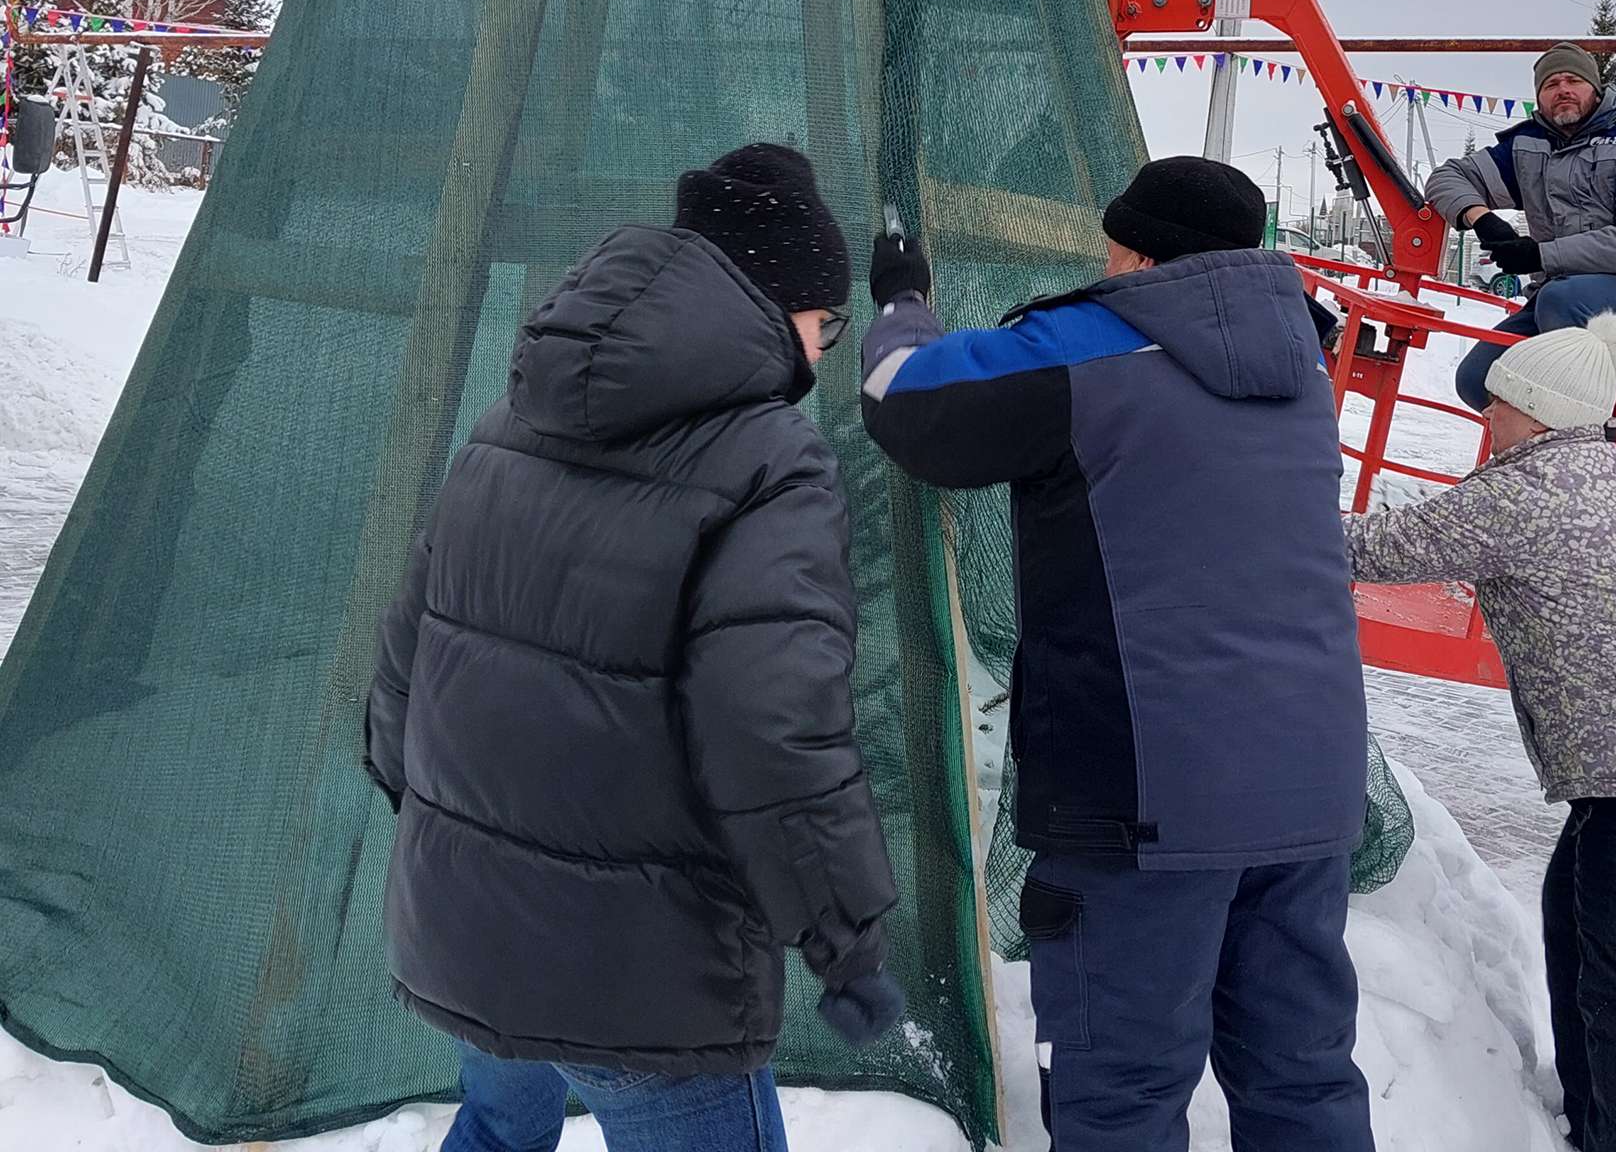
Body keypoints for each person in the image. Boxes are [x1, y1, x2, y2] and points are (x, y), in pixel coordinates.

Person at [364, 144, 903, 1152]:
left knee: (493, 1128)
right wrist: (843, 935)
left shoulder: (511, 418)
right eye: (824, 323)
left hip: (467, 923)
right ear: (777, 305)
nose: (822, 351)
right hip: (640, 973)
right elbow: (771, 724)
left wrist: (439, 825)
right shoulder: (772, 459)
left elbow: (408, 647)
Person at [861, 157, 1374, 1152]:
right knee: (1301, 1075)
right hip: (1309, 788)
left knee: (1121, 1090)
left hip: (1147, 794)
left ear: (1136, 250)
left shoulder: (1089, 345)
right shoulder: (1302, 356)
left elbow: (908, 401)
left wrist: (903, 300)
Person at [1346, 313, 1616, 1152]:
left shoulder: (1527, 492)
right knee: (1574, 922)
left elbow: (1382, 548)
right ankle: (1592, 1120)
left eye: (1496, 403)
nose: (1485, 417)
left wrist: (1253, 505)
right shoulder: (1600, 467)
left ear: (1534, 409)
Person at [1426, 43, 1616, 410]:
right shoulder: (1529, 146)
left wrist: (1541, 254)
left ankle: (1588, 453)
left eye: (1574, 80)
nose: (1563, 89)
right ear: (1539, 98)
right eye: (1551, 84)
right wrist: (1482, 218)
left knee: (1562, 304)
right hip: (1559, 296)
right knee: (1479, 380)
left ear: (1595, 89)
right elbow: (1448, 176)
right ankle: (1583, 451)